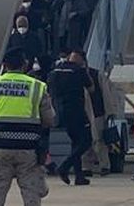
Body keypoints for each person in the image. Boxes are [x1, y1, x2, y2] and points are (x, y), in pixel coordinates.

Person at [0, 50, 55, 206]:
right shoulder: (37, 87)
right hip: (28, 148)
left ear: (5, 65)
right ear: (25, 64)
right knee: (32, 194)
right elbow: (49, 119)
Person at [48, 50, 94, 186]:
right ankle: (64, 166)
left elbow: (49, 89)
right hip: (76, 111)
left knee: (75, 142)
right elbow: (91, 88)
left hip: (60, 112)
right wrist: (85, 70)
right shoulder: (78, 70)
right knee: (86, 141)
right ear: (79, 58)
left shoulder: (55, 70)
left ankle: (79, 176)